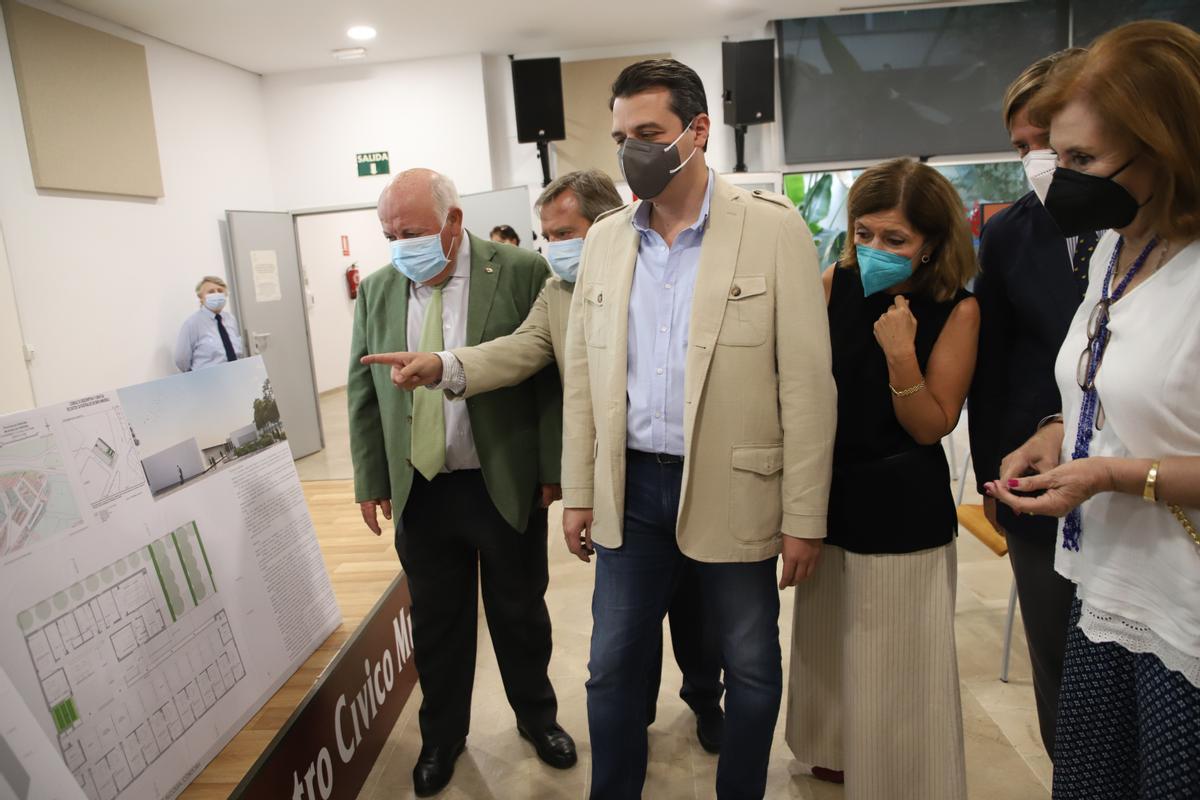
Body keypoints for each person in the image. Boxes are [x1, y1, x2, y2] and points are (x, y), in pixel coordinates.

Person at [366, 169, 727, 753]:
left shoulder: (671, 276)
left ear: (607, 223)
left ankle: (705, 697)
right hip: (620, 478)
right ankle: (631, 716)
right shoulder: (559, 294)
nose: (553, 248)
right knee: (627, 624)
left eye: (565, 233)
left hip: (689, 470)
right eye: (547, 235)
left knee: (696, 606)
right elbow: (522, 352)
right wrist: (443, 365)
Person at [560, 59, 836, 800]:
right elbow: (585, 378)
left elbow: (809, 386)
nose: (631, 152)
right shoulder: (607, 240)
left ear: (698, 130)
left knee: (749, 663)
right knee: (613, 662)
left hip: (734, 480)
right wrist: (579, 489)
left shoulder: (772, 231)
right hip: (629, 482)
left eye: (647, 133)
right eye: (620, 137)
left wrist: (805, 515)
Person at [986, 21, 1200, 798]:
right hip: (1108, 587)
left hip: (1186, 613)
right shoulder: (1120, 243)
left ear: (1166, 147)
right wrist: (1053, 433)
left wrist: (1110, 473)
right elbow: (1104, 379)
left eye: (1081, 160)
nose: (1057, 178)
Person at [346, 168, 575, 798]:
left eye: (412, 231)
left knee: (520, 611)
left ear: (453, 223)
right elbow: (363, 393)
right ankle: (442, 737)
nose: (399, 245)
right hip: (422, 488)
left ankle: (538, 718)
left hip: (499, 479)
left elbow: (548, 374)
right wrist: (370, 477)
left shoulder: (521, 270)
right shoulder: (379, 289)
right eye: (388, 233)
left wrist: (553, 469)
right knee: (437, 623)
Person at [786, 158, 979, 800]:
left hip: (903, 501)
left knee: (896, 652)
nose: (873, 250)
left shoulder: (957, 308)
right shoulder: (832, 283)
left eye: (895, 239)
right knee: (828, 639)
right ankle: (834, 748)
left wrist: (902, 352)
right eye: (863, 233)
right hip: (833, 493)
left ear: (931, 243)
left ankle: (899, 775)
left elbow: (930, 426)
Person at [966, 47, 1088, 758]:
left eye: (1054, 141)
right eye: (1024, 147)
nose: (1040, 160)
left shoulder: (1165, 226)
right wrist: (996, 481)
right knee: (1060, 675)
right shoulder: (1012, 232)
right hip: (1036, 484)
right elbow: (997, 368)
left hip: (1151, 491)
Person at [173, 275, 242, 371]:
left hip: (236, 375)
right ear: (201, 298)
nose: (217, 294)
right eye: (211, 292)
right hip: (208, 380)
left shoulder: (230, 319)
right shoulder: (192, 324)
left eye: (220, 291)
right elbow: (181, 360)